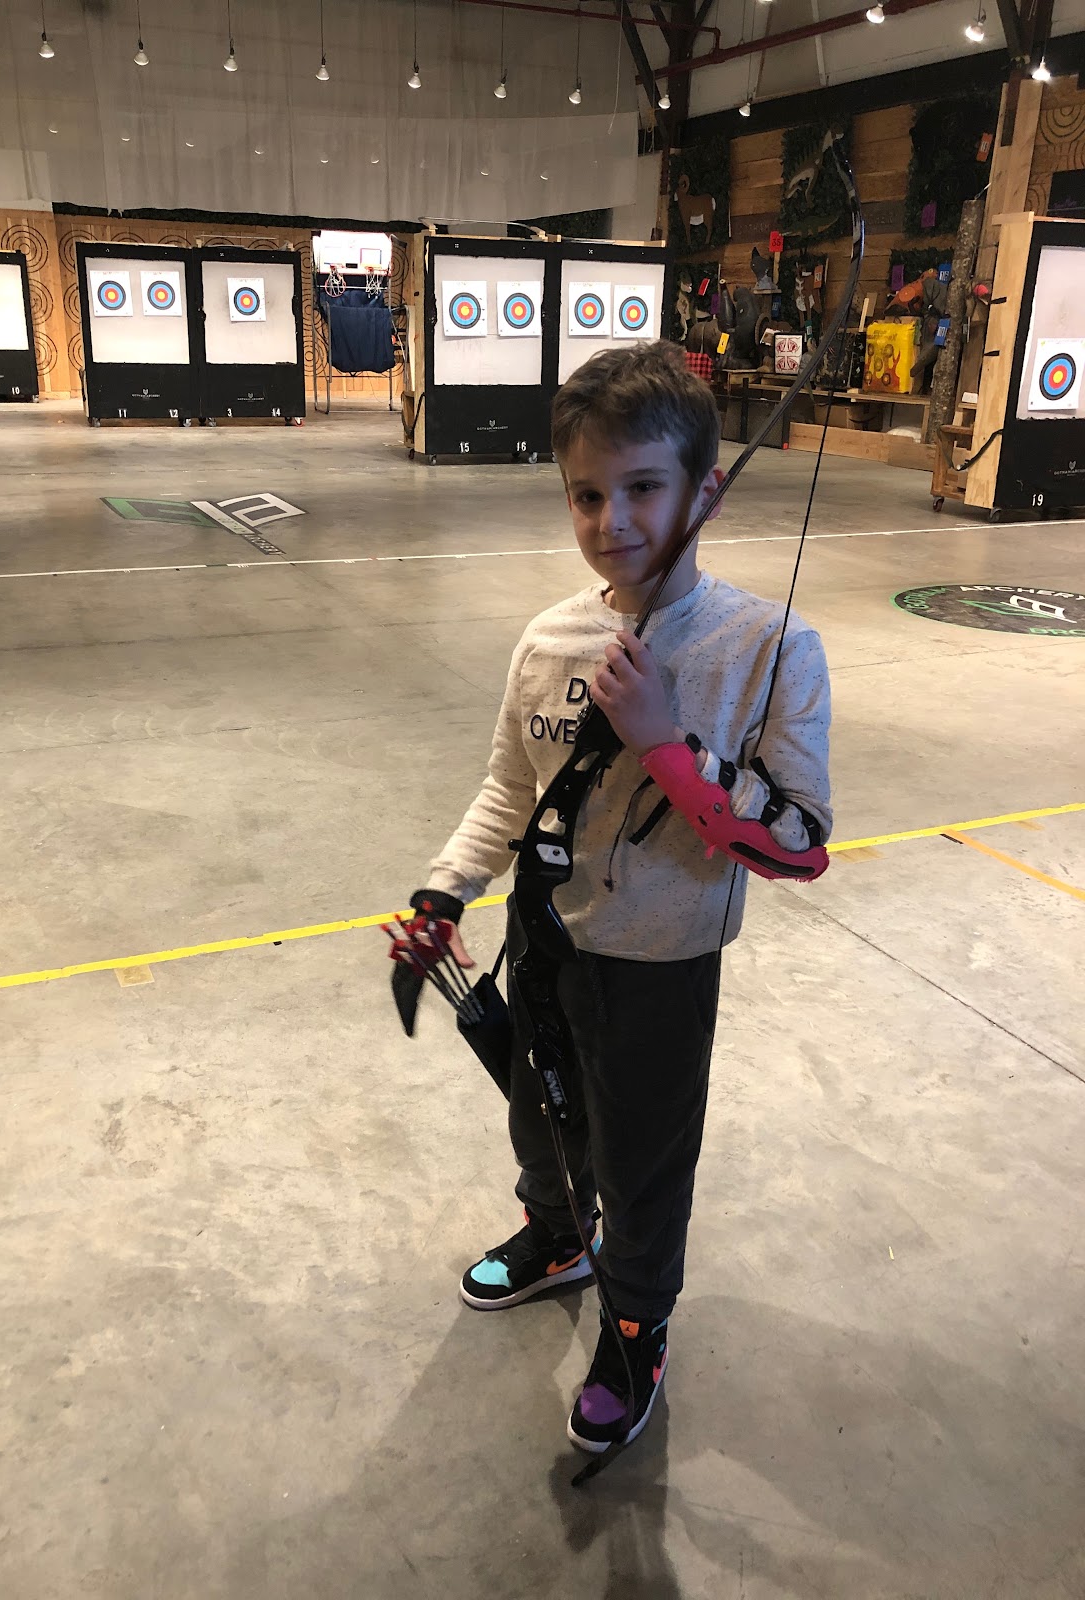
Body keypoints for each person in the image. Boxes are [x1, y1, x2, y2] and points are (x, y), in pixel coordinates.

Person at [401, 340, 832, 1457]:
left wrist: (666, 743)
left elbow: (799, 846)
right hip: (544, 938)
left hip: (660, 968)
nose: (612, 520)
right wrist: (445, 891)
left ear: (706, 491)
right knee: (538, 1113)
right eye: (587, 494)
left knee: (641, 1161)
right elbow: (511, 788)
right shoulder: (550, 640)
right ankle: (557, 1235)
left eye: (643, 487)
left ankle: (637, 1322)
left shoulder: (769, 647)